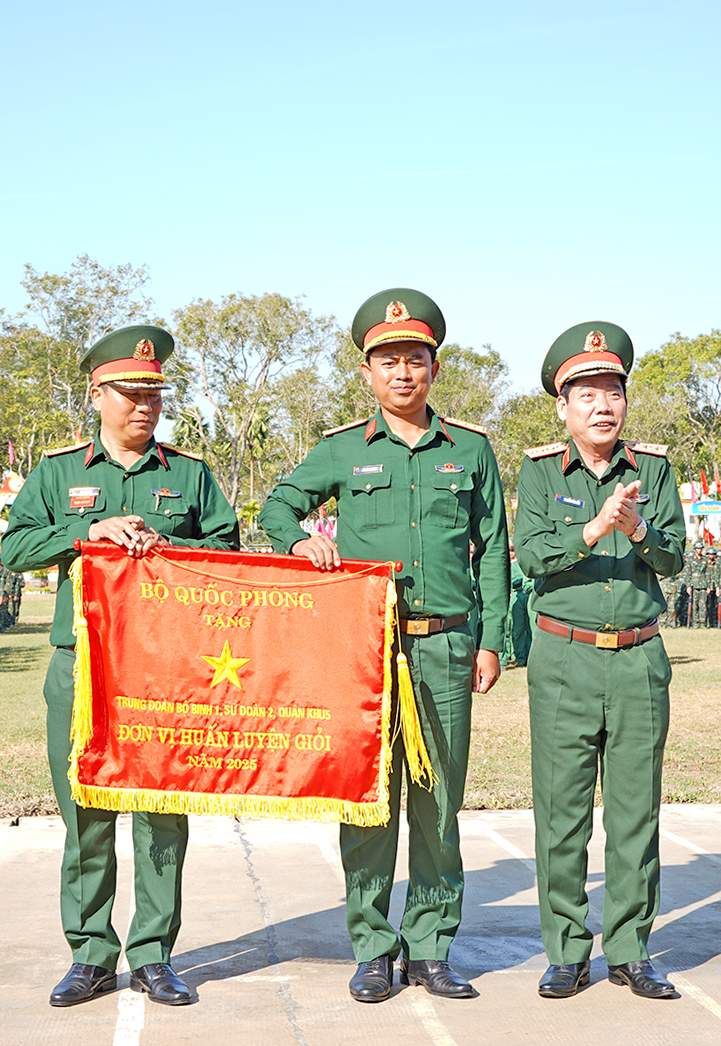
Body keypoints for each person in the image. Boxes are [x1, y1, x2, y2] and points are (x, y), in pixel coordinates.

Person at [260, 288, 509, 1004]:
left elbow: (491, 548)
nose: (403, 373)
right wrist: (300, 538)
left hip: (445, 648)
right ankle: (372, 946)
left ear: (433, 368)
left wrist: (492, 640)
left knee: (436, 803)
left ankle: (431, 948)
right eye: (388, 361)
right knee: (366, 802)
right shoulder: (343, 449)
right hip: (361, 652)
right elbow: (279, 503)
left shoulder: (470, 449)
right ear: (366, 372)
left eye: (416, 360)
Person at [2, 323, 240, 1008]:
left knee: (161, 813)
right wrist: (86, 532)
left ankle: (155, 954)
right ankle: (90, 955)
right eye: (130, 393)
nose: (145, 406)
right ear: (96, 394)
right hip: (83, 668)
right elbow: (15, 550)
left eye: (154, 395)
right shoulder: (57, 472)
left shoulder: (188, 474)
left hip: (164, 670)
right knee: (86, 814)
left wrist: (172, 547)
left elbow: (227, 548)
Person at [513, 322, 683, 1002]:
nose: (601, 404)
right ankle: (564, 950)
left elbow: (673, 558)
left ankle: (631, 950)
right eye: (584, 392)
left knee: (636, 814)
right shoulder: (535, 470)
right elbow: (529, 555)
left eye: (611, 390)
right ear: (562, 406)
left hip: (638, 660)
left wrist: (637, 528)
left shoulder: (656, 471)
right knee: (560, 815)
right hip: (563, 659)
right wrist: (592, 529)